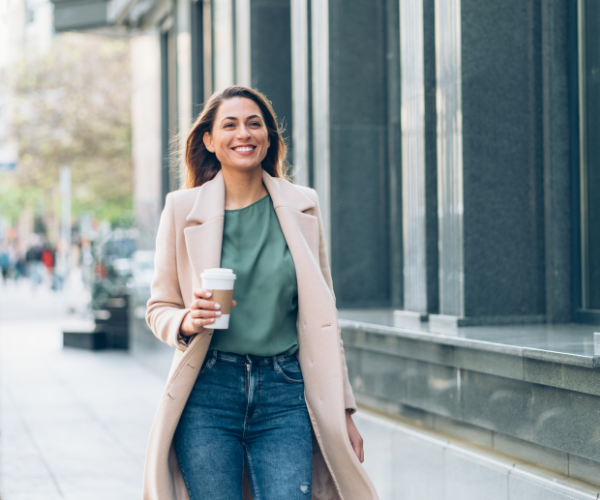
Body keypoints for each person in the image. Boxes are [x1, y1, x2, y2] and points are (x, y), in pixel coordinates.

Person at [144, 86, 378, 500]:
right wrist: (186, 319)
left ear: (269, 137)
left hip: (284, 392)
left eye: (254, 124)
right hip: (208, 390)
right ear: (210, 141)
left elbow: (324, 321)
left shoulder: (303, 206)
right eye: (229, 125)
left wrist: (343, 411)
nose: (243, 133)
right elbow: (159, 306)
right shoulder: (181, 208)